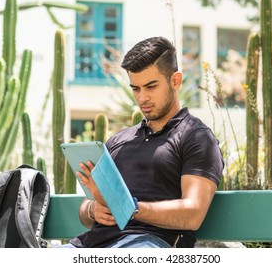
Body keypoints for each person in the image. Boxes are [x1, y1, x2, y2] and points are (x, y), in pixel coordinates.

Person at [68, 36, 224, 248]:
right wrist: (92, 210)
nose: (142, 98)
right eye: (136, 89)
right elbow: (86, 207)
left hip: (148, 245)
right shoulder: (118, 140)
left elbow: (193, 213)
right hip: (90, 246)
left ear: (175, 81)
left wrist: (129, 209)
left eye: (151, 87)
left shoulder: (196, 137)